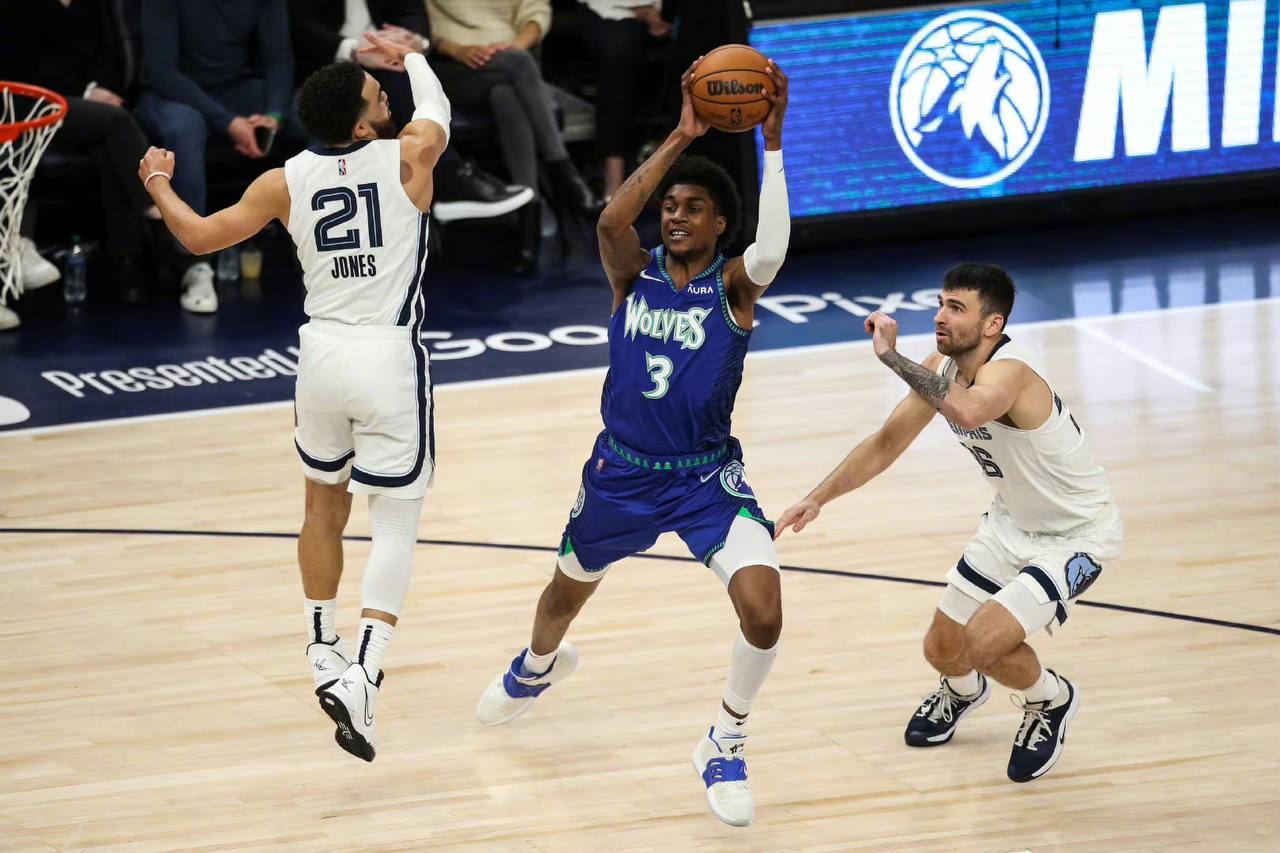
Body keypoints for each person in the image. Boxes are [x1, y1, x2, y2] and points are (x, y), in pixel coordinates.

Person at [473, 58, 791, 827]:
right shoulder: (633, 274)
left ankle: (724, 740)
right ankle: (537, 665)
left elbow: (774, 248)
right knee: (562, 595)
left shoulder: (734, 286)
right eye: (670, 206)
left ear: (721, 225)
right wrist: (681, 136)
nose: (675, 216)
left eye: (693, 208)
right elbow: (611, 223)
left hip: (704, 479)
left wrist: (774, 143)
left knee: (763, 612)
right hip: (621, 473)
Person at [137, 33, 451, 761]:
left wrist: (157, 182)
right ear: (365, 125)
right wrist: (412, 57)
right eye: (376, 95)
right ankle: (364, 675)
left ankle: (320, 643)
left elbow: (199, 237)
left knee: (321, 504)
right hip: (385, 357)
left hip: (320, 358)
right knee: (394, 520)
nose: (386, 95)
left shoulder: (284, 180)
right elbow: (435, 105)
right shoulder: (408, 156)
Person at [775, 264, 1124, 784]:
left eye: (956, 308)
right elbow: (886, 443)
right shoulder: (941, 366)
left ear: (992, 324)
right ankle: (962, 692)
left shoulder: (1012, 373)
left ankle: (1050, 699)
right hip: (1011, 524)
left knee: (984, 644)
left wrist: (890, 356)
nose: (940, 316)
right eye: (940, 303)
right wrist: (817, 498)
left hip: (1077, 535)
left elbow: (968, 411)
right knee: (942, 650)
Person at [287, 0, 535, 224]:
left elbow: (413, 14)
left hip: (388, 65)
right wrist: (355, 50)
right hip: (325, 73)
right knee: (395, 83)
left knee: (505, 85)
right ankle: (450, 176)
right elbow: (301, 28)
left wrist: (413, 41)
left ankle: (448, 182)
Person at [0, 0, 159, 317]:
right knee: (117, 122)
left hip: (71, 106)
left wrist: (102, 90)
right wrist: (86, 91)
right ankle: (159, 211)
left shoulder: (92, 5)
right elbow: (22, 69)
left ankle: (128, 265)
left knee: (111, 147)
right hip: (28, 103)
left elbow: (107, 57)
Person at [137, 0, 297, 314]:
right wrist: (228, 122)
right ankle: (192, 265)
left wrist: (274, 116)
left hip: (235, 88)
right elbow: (162, 72)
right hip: (173, 93)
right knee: (185, 128)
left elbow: (278, 58)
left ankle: (326, 242)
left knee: (310, 113)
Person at [425, 0, 602, 219]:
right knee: (517, 64)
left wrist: (512, 47)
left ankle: (529, 217)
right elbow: (415, 24)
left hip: (508, 61)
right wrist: (455, 49)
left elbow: (536, 10)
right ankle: (562, 168)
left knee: (506, 94)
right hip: (450, 65)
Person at [577, 1, 671, 201]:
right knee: (619, 54)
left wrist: (666, 11)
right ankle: (614, 175)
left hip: (671, 11)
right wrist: (641, 9)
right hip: (609, 8)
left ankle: (671, 155)